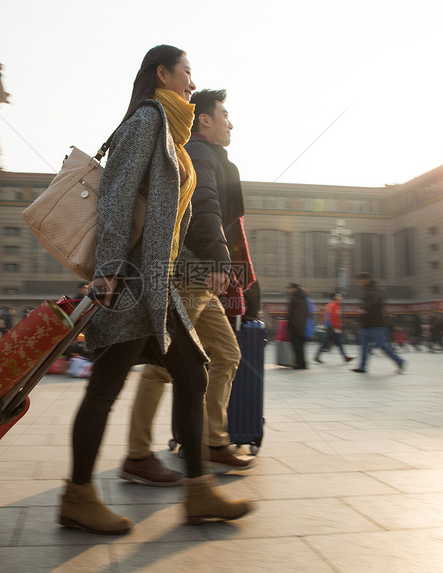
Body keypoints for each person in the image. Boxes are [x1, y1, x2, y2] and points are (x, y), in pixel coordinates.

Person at [59, 45, 252, 536]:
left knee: (193, 375)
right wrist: (107, 273)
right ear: (163, 74)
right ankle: (78, 495)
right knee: (105, 389)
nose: (192, 83)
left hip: (158, 286)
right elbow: (118, 199)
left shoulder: (172, 131)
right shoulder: (148, 120)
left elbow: (169, 223)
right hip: (130, 286)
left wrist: (193, 268)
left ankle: (198, 492)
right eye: (187, 73)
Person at [122, 88, 254, 487]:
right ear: (205, 120)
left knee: (227, 354)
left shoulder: (210, 155)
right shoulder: (200, 153)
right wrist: (221, 258)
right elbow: (207, 206)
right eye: (225, 114)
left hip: (204, 272)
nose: (231, 121)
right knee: (165, 361)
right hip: (192, 271)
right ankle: (138, 453)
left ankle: (214, 440)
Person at [352, 272, 407, 374]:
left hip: (376, 323)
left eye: (361, 281)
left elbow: (375, 300)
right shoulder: (367, 289)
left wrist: (365, 308)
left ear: (367, 279)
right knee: (363, 345)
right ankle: (362, 366)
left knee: (382, 345)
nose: (360, 283)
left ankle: (400, 361)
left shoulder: (375, 288)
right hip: (366, 323)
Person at [314, 293, 353, 364]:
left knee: (329, 342)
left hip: (327, 326)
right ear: (335, 297)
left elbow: (324, 316)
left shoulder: (328, 305)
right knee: (338, 342)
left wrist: (324, 325)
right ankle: (345, 357)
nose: (341, 297)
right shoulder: (335, 305)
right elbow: (334, 316)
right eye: (339, 296)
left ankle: (317, 356)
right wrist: (337, 327)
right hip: (333, 327)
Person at [286, 283, 309, 369]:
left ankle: (300, 364)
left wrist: (291, 326)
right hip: (301, 325)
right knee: (300, 347)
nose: (289, 290)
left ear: (294, 288)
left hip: (296, 326)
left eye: (290, 288)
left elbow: (292, 314)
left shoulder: (295, 298)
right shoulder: (303, 297)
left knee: (297, 346)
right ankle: (301, 363)